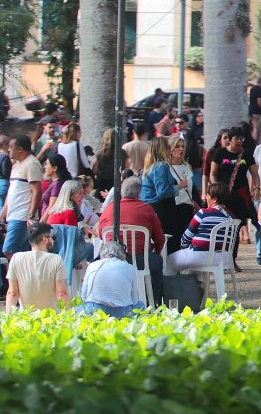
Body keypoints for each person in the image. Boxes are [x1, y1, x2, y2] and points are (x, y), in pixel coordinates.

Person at [97, 176, 166, 305]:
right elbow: (160, 239)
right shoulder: (147, 209)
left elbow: (101, 234)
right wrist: (156, 252)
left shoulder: (110, 208)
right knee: (157, 262)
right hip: (140, 260)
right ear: (139, 193)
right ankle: (152, 302)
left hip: (111, 259)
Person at [210, 126, 260, 268]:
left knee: (236, 227)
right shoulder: (219, 153)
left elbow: (255, 174)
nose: (239, 141)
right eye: (236, 138)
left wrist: (256, 187)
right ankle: (219, 258)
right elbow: (213, 173)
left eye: (241, 138)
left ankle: (232, 259)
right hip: (222, 196)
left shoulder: (246, 155)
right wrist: (216, 188)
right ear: (229, 140)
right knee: (220, 227)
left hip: (240, 195)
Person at [169, 181, 234, 273]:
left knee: (168, 261)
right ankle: (196, 284)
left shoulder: (203, 213)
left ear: (214, 199)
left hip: (200, 257)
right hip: (224, 258)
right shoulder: (231, 217)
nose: (205, 198)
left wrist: (184, 248)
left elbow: (186, 237)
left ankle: (174, 286)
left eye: (207, 195)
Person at [4, 222, 69, 311]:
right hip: (50, 317)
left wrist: (8, 316)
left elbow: (12, 293)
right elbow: (61, 293)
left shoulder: (16, 258)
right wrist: (69, 314)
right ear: (45, 240)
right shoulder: (56, 259)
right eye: (53, 238)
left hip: (26, 318)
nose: (53, 241)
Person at [139, 136, 185, 255]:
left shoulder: (150, 167)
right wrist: (179, 186)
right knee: (169, 237)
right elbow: (163, 191)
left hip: (149, 205)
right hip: (161, 206)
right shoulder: (161, 166)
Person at [0, 135, 44, 257]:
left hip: (21, 216)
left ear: (19, 149)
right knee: (20, 252)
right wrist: (2, 215)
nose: (8, 150)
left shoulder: (31, 163)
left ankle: (17, 275)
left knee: (9, 250)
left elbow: (37, 191)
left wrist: (30, 216)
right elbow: (12, 193)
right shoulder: (16, 165)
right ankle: (21, 275)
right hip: (12, 216)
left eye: (11, 147)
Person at [77, 240, 145, 318]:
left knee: (78, 309)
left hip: (95, 311)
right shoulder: (130, 268)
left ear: (102, 255)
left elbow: (83, 296)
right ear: (122, 256)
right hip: (122, 312)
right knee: (140, 305)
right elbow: (134, 299)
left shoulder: (92, 265)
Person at [38, 153, 72, 220]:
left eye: (47, 164)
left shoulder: (57, 185)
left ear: (54, 168)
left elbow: (51, 206)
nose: (45, 167)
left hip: (49, 222)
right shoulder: (54, 183)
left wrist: (41, 224)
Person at [92, 128, 123, 199]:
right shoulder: (122, 153)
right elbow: (126, 167)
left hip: (102, 184)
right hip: (117, 184)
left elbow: (94, 170)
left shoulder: (100, 154)